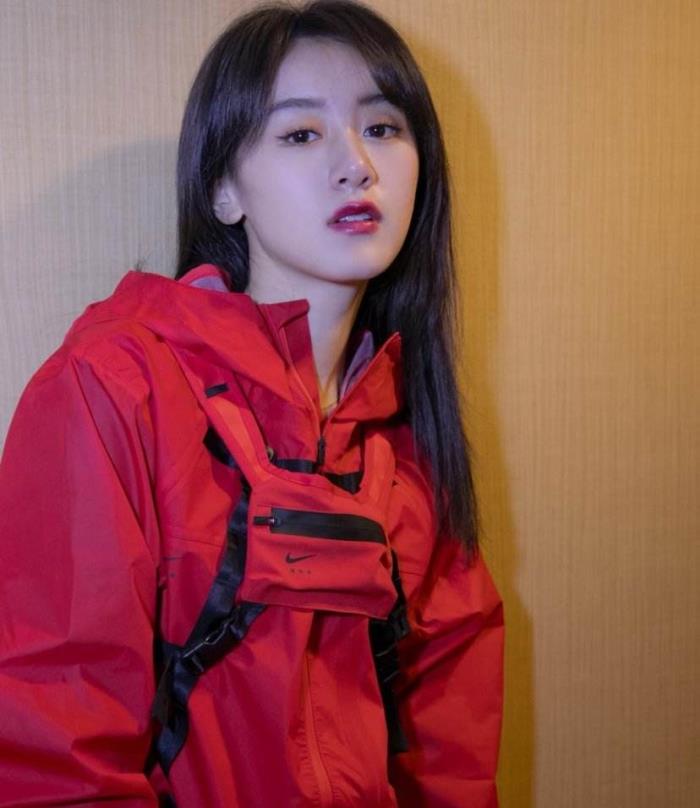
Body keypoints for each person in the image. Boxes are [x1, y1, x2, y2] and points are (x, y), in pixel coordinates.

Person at [0, 1, 504, 805]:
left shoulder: (409, 436)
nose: (357, 166)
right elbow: (57, 747)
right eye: (301, 134)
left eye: (383, 128)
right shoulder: (114, 387)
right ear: (223, 189)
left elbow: (451, 756)